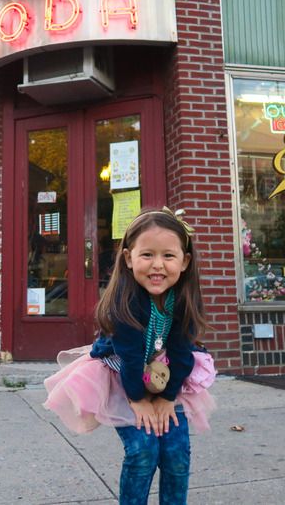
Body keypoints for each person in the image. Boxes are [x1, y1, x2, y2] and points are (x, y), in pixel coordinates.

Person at [43, 207, 216, 505]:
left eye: (169, 256)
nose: (157, 265)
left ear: (185, 261)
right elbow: (132, 361)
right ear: (128, 258)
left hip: (166, 375)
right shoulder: (125, 304)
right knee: (143, 450)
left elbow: (182, 353)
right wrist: (139, 401)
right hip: (125, 377)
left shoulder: (183, 299)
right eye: (147, 255)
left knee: (176, 452)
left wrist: (165, 399)